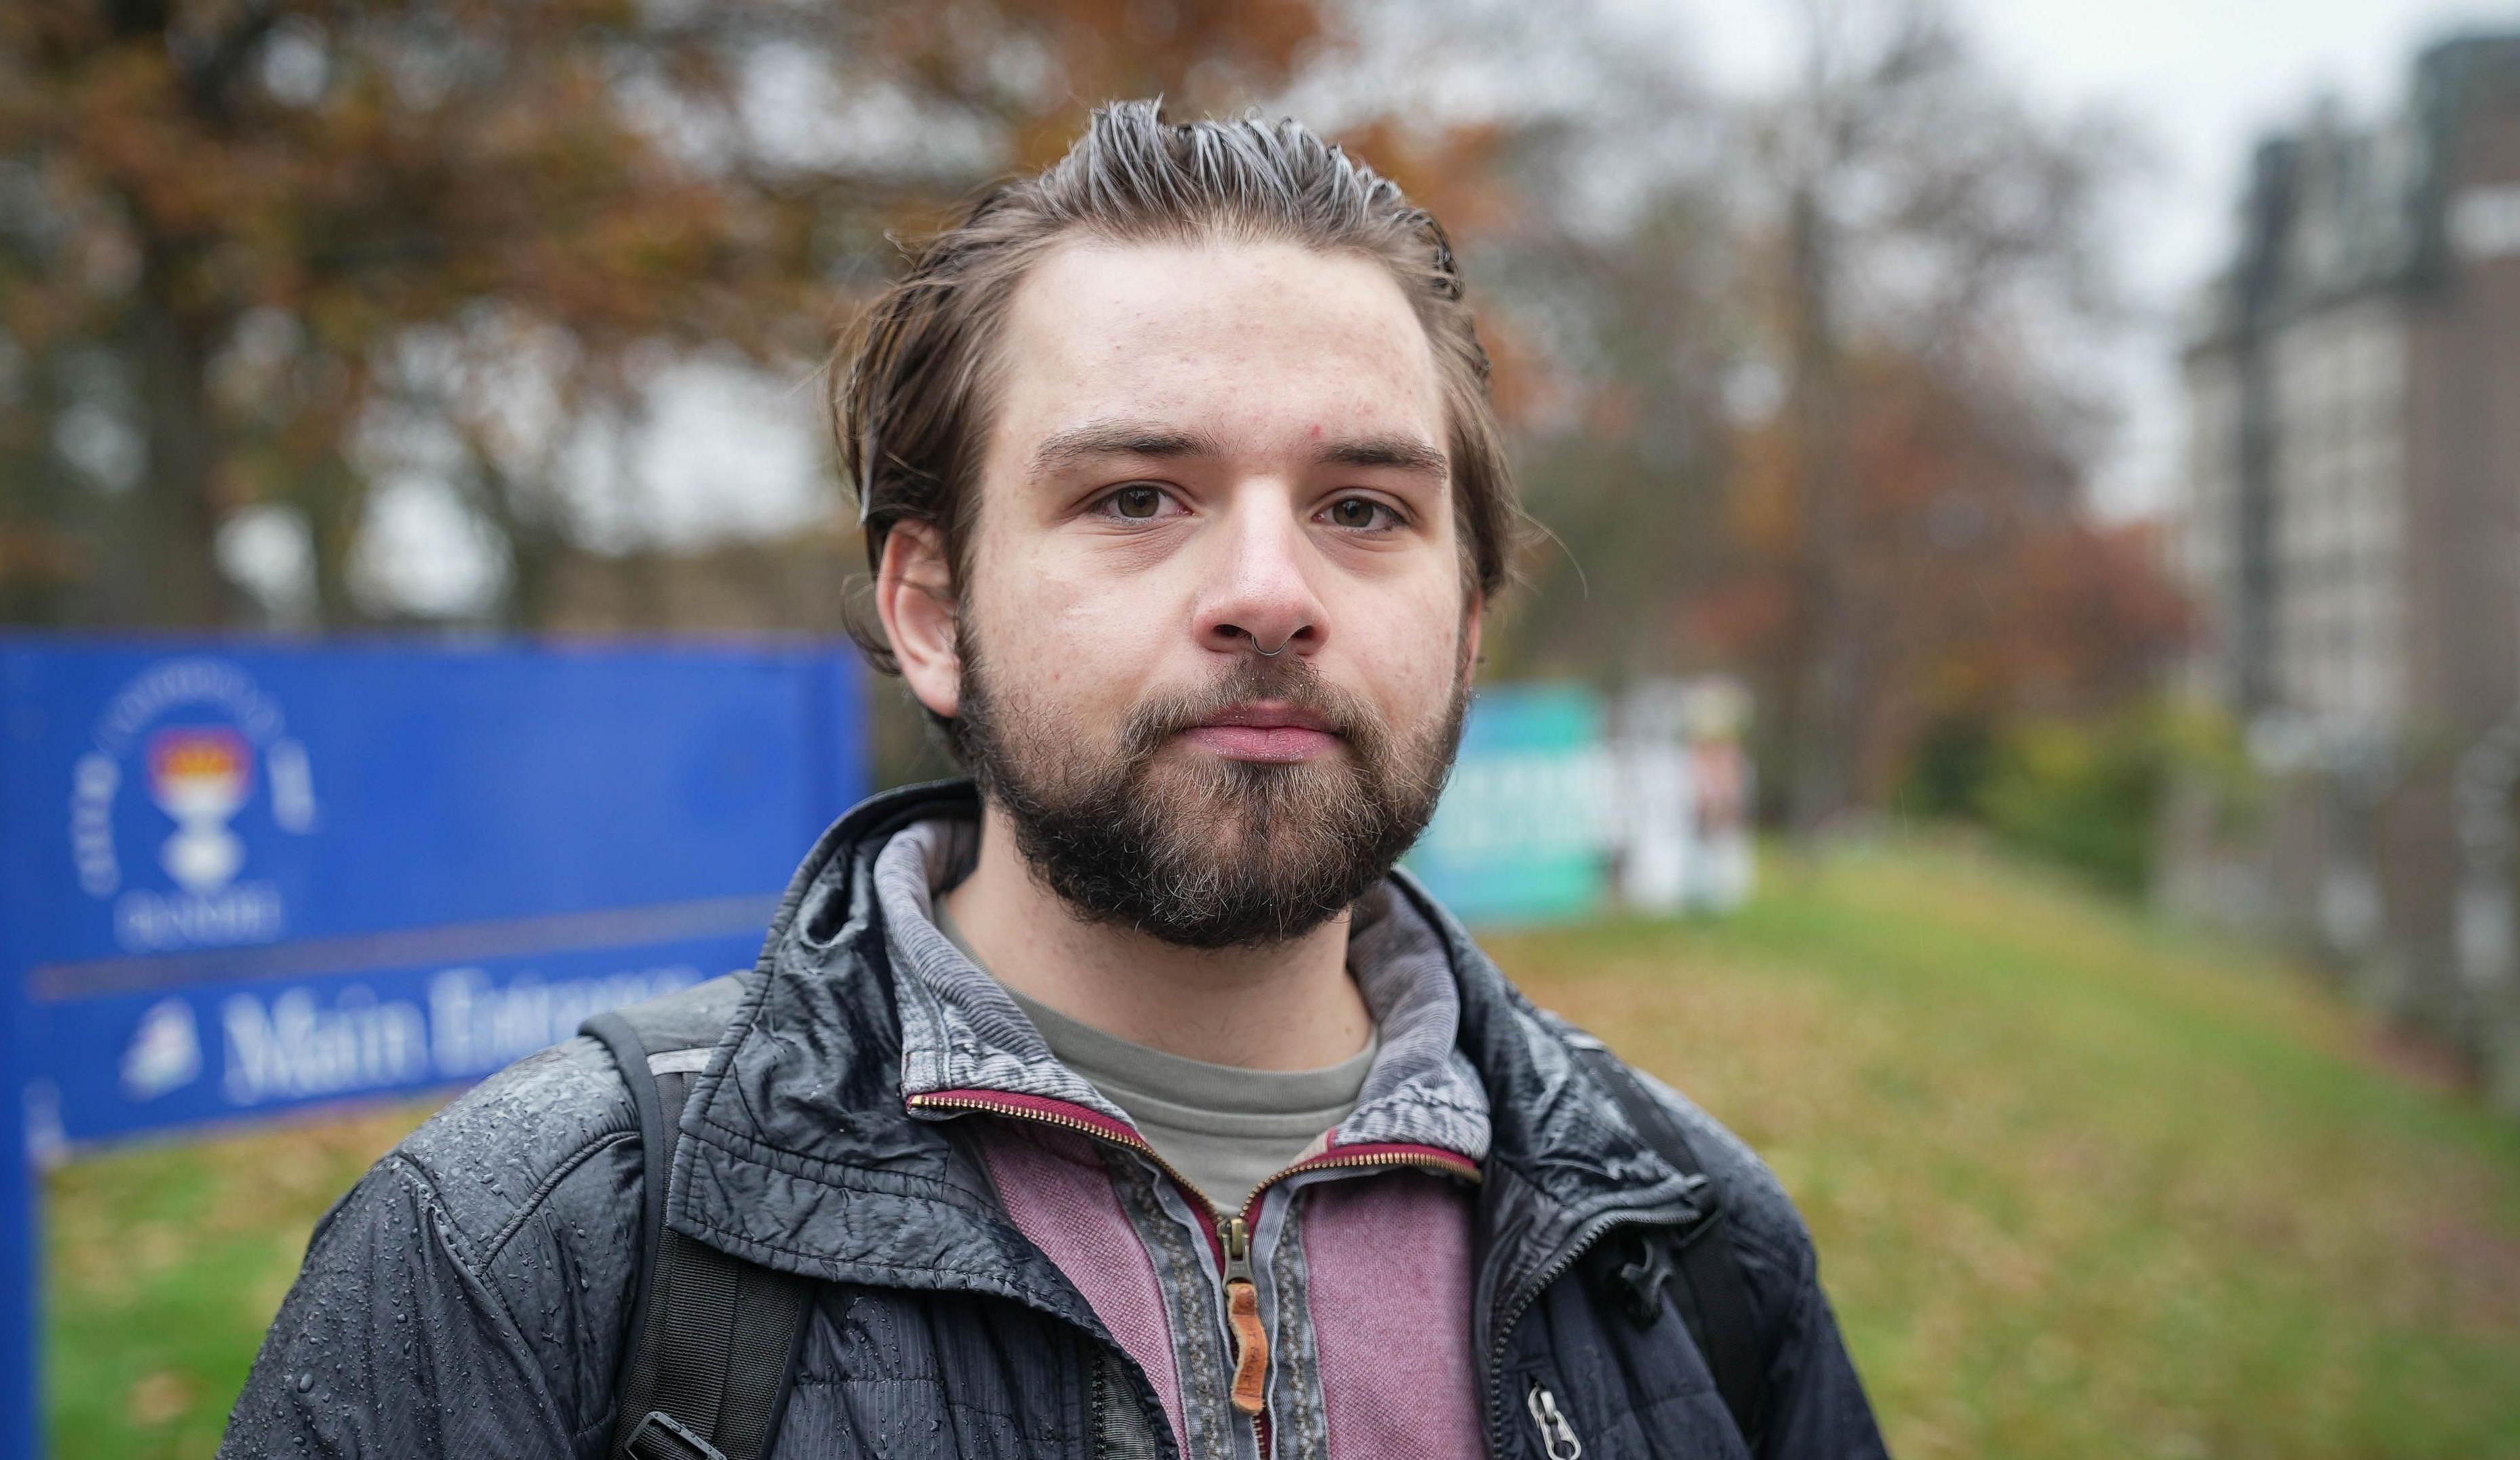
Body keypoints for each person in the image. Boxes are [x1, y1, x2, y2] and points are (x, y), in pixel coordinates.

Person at [218, 99, 1888, 1460]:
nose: (1269, 587)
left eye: (1364, 509)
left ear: (1465, 626)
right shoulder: (527, 1259)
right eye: (1137, 496)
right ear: (932, 611)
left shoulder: (1697, 1258)